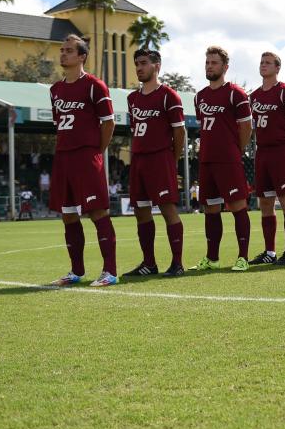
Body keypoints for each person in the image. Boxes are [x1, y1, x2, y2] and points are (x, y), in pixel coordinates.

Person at [48, 34, 118, 287]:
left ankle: (110, 271)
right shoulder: (55, 90)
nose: (63, 53)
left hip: (87, 156)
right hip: (63, 157)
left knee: (97, 211)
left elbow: (108, 122)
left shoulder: (94, 86)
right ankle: (76, 271)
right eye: (62, 49)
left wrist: (96, 151)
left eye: (69, 50)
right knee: (68, 214)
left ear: (82, 56)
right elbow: (59, 124)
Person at [123, 48, 187, 277]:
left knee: (168, 209)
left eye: (143, 63)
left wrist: (173, 158)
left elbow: (179, 133)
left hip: (160, 158)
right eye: (136, 64)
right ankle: (149, 263)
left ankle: (177, 263)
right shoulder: (132, 98)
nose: (139, 68)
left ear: (156, 65)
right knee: (141, 211)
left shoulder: (169, 95)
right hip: (138, 160)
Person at [193, 46, 253, 272]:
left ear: (225, 67)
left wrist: (236, 148)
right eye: (207, 62)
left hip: (228, 159)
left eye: (214, 63)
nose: (209, 66)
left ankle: (242, 257)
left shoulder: (235, 93)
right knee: (210, 208)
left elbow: (246, 127)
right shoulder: (200, 97)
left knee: (238, 206)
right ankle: (212, 258)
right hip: (207, 159)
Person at [249, 51, 285, 266]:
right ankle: (269, 252)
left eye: (268, 63)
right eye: (261, 62)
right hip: (262, 152)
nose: (263, 65)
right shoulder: (253, 96)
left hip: (282, 151)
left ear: (277, 68)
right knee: (265, 202)